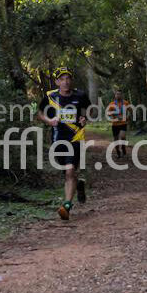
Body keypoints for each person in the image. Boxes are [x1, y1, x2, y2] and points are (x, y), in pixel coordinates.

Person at [38, 67, 91, 220]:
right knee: (68, 173)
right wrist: (49, 120)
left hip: (76, 138)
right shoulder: (50, 97)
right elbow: (40, 113)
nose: (65, 82)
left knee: (69, 171)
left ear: (71, 80)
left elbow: (89, 110)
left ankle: (66, 206)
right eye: (62, 79)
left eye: (68, 78)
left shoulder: (80, 95)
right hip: (58, 140)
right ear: (57, 82)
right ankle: (79, 184)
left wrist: (84, 117)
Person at [108, 90, 130, 158]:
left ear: (122, 95)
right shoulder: (112, 104)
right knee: (116, 140)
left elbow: (130, 111)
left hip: (123, 123)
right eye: (117, 94)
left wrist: (128, 116)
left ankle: (123, 148)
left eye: (119, 94)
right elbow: (108, 113)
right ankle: (118, 152)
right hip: (115, 124)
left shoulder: (126, 103)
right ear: (115, 95)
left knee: (122, 137)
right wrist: (113, 116)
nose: (118, 95)